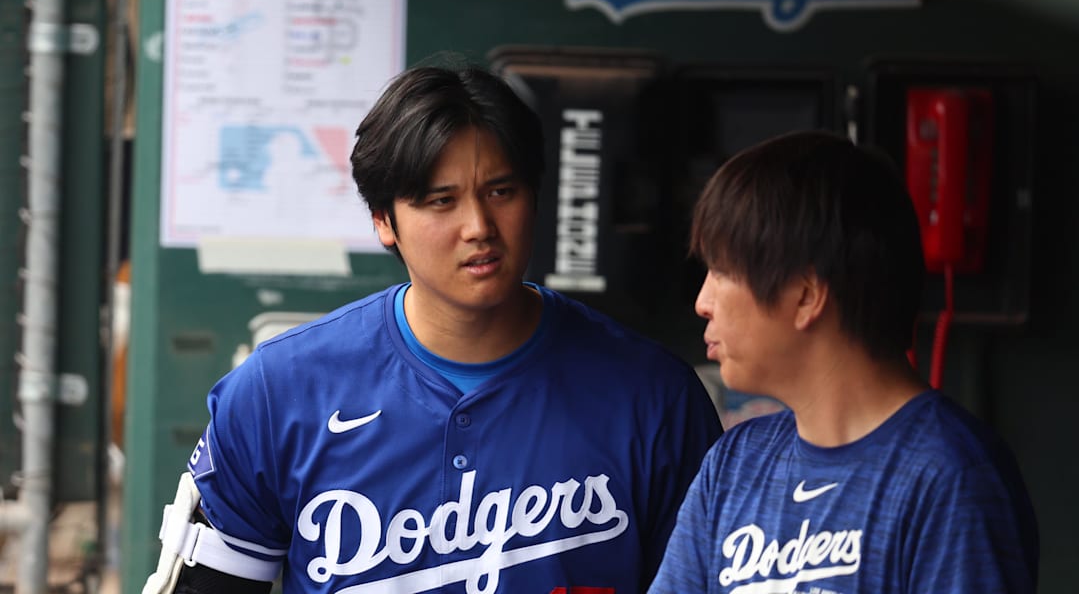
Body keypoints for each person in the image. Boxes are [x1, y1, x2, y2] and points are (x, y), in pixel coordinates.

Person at [143, 62, 722, 594]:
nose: (478, 226)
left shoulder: (653, 397)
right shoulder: (277, 392)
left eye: (501, 191)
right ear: (383, 221)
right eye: (440, 201)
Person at [648, 130, 1039, 593]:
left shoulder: (950, 476)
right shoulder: (734, 464)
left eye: (723, 271)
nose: (703, 301)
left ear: (807, 296)